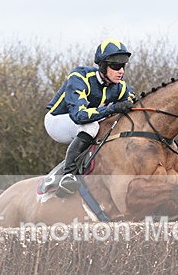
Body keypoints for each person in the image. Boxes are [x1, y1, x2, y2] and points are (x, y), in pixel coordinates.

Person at [45, 40, 136, 196]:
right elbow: (79, 116)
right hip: (57, 121)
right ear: (102, 66)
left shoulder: (120, 87)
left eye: (123, 66)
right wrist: (111, 108)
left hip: (83, 123)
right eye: (115, 66)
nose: (120, 71)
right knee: (91, 126)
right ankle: (68, 176)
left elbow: (136, 102)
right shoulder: (80, 77)